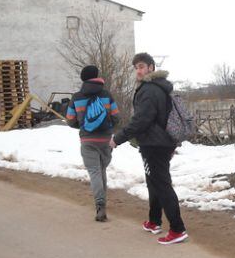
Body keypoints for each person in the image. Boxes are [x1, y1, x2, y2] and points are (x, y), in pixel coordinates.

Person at [111, 53, 188, 245]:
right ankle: (154, 221)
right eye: (136, 67)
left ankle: (178, 229)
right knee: (153, 181)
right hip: (163, 141)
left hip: (154, 144)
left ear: (151, 67)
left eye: (142, 66)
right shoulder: (161, 87)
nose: (138, 70)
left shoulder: (149, 90)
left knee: (161, 184)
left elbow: (141, 121)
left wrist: (117, 139)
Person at [66, 65, 120, 222]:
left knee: (95, 171)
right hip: (105, 139)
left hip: (87, 139)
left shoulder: (77, 97)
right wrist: (107, 126)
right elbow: (116, 117)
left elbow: (70, 120)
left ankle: (100, 205)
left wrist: (84, 125)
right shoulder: (106, 95)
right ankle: (103, 202)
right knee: (101, 169)